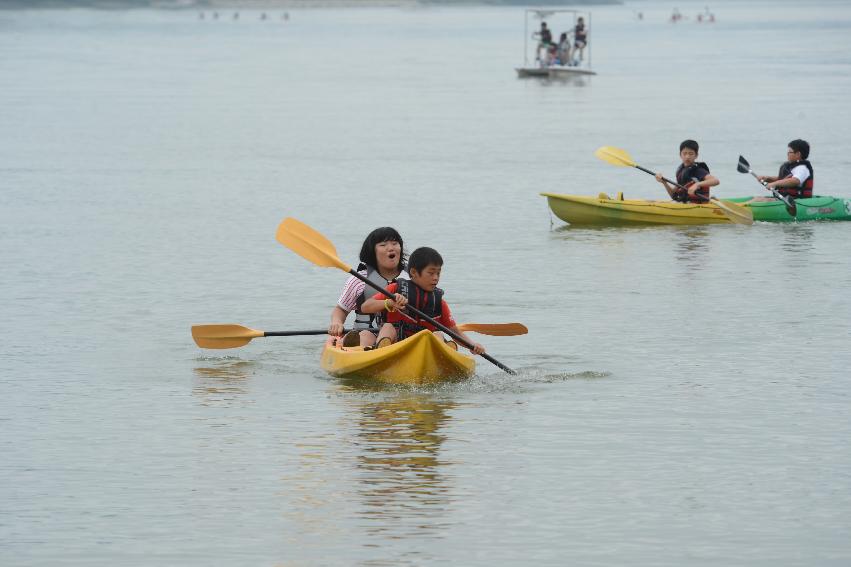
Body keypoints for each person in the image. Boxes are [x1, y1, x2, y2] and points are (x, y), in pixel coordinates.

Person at [360, 247, 485, 355]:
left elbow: (454, 332)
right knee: (388, 326)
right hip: (396, 344)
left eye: (438, 273)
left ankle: (445, 351)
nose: (435, 278)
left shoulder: (439, 303)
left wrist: (472, 345)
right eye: (431, 273)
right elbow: (365, 307)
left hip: (424, 348)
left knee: (438, 334)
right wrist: (389, 303)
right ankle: (382, 349)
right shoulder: (395, 290)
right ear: (414, 272)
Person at [328, 227, 407, 348]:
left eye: (395, 243)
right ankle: (364, 350)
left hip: (405, 336)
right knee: (365, 335)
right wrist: (336, 322)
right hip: (368, 333)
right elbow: (341, 310)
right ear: (372, 252)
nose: (391, 248)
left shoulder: (413, 277)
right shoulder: (359, 280)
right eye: (383, 244)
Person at [655, 139, 719, 203]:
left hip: (699, 206)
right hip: (685, 204)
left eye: (691, 154)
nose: (687, 157)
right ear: (680, 155)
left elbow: (716, 181)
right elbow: (673, 195)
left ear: (696, 155)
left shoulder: (698, 170)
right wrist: (664, 182)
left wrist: (697, 184)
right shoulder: (681, 171)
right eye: (684, 153)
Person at [749, 139, 813, 202]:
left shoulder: (802, 168)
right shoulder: (792, 166)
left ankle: (742, 208)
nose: (787, 154)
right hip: (786, 198)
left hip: (797, 200)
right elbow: (783, 179)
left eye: (790, 152)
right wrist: (768, 178)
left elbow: (795, 181)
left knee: (759, 200)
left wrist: (774, 184)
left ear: (798, 154)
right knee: (757, 198)